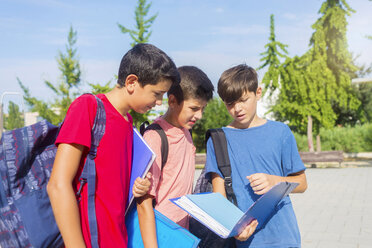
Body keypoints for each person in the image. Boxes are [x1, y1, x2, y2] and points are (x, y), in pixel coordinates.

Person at [47, 43, 180, 248]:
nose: (159, 102)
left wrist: (138, 187)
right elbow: (57, 185)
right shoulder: (88, 108)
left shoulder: (128, 124)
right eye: (157, 93)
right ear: (132, 82)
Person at [205, 64, 307, 247]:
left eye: (243, 100)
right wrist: (234, 229)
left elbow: (302, 183)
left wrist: (274, 181)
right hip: (245, 240)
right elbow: (218, 197)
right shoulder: (217, 140)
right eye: (230, 103)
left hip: (284, 236)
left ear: (257, 92)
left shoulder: (281, 132)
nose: (237, 108)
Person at [136, 66, 216, 248]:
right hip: (160, 235)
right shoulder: (155, 137)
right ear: (172, 101)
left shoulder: (186, 132)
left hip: (182, 235)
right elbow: (144, 201)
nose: (200, 115)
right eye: (194, 108)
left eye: (202, 109)